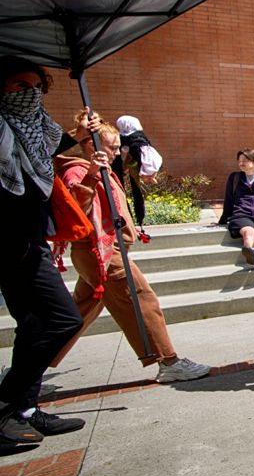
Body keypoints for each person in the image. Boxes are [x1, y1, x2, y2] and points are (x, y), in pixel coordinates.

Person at [50, 120, 211, 384]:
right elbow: (76, 210)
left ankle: (31, 365)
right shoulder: (78, 170)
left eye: (116, 148)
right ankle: (168, 360)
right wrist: (91, 174)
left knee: (77, 312)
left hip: (101, 251)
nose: (116, 153)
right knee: (141, 298)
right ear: (90, 145)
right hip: (101, 252)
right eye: (112, 148)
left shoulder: (98, 168)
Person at [0, 56, 98, 444]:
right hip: (12, 241)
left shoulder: (37, 123)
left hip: (32, 235)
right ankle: (6, 405)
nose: (29, 94)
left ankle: (24, 409)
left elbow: (64, 148)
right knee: (63, 321)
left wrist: (84, 133)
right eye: (19, 87)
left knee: (34, 326)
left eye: (36, 87)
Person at [217, 148, 254, 269]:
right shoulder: (235, 178)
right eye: (239, 161)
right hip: (241, 213)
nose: (241, 163)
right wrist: (223, 220)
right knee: (248, 232)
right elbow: (228, 200)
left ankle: (253, 253)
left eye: (245, 160)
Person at [113, 114, 162, 228]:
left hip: (127, 165)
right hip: (136, 165)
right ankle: (137, 219)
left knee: (124, 194)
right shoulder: (137, 137)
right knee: (136, 191)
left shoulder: (120, 138)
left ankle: (130, 219)